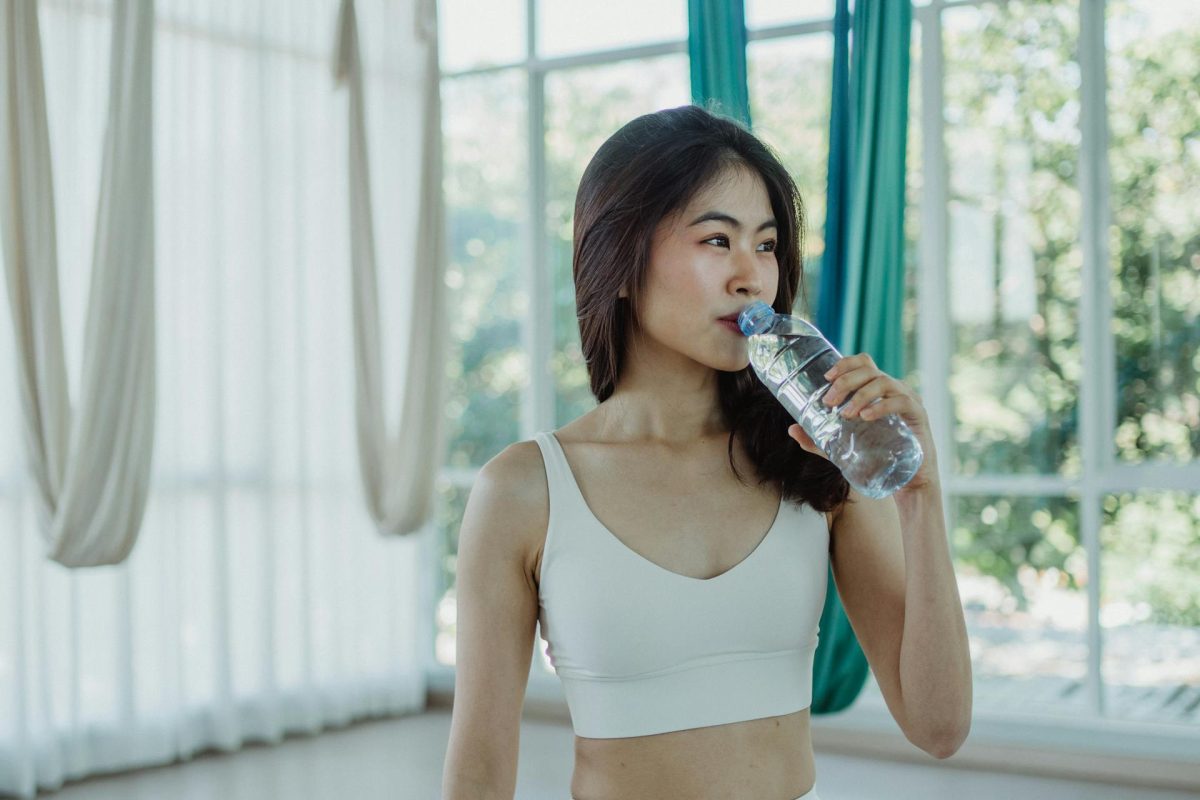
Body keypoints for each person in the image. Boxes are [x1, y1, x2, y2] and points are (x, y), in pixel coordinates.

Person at [442, 104, 972, 800]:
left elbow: (940, 726)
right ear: (620, 262)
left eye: (767, 244)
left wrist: (920, 496)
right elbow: (479, 774)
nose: (752, 276)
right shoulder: (524, 490)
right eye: (717, 240)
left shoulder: (814, 456)